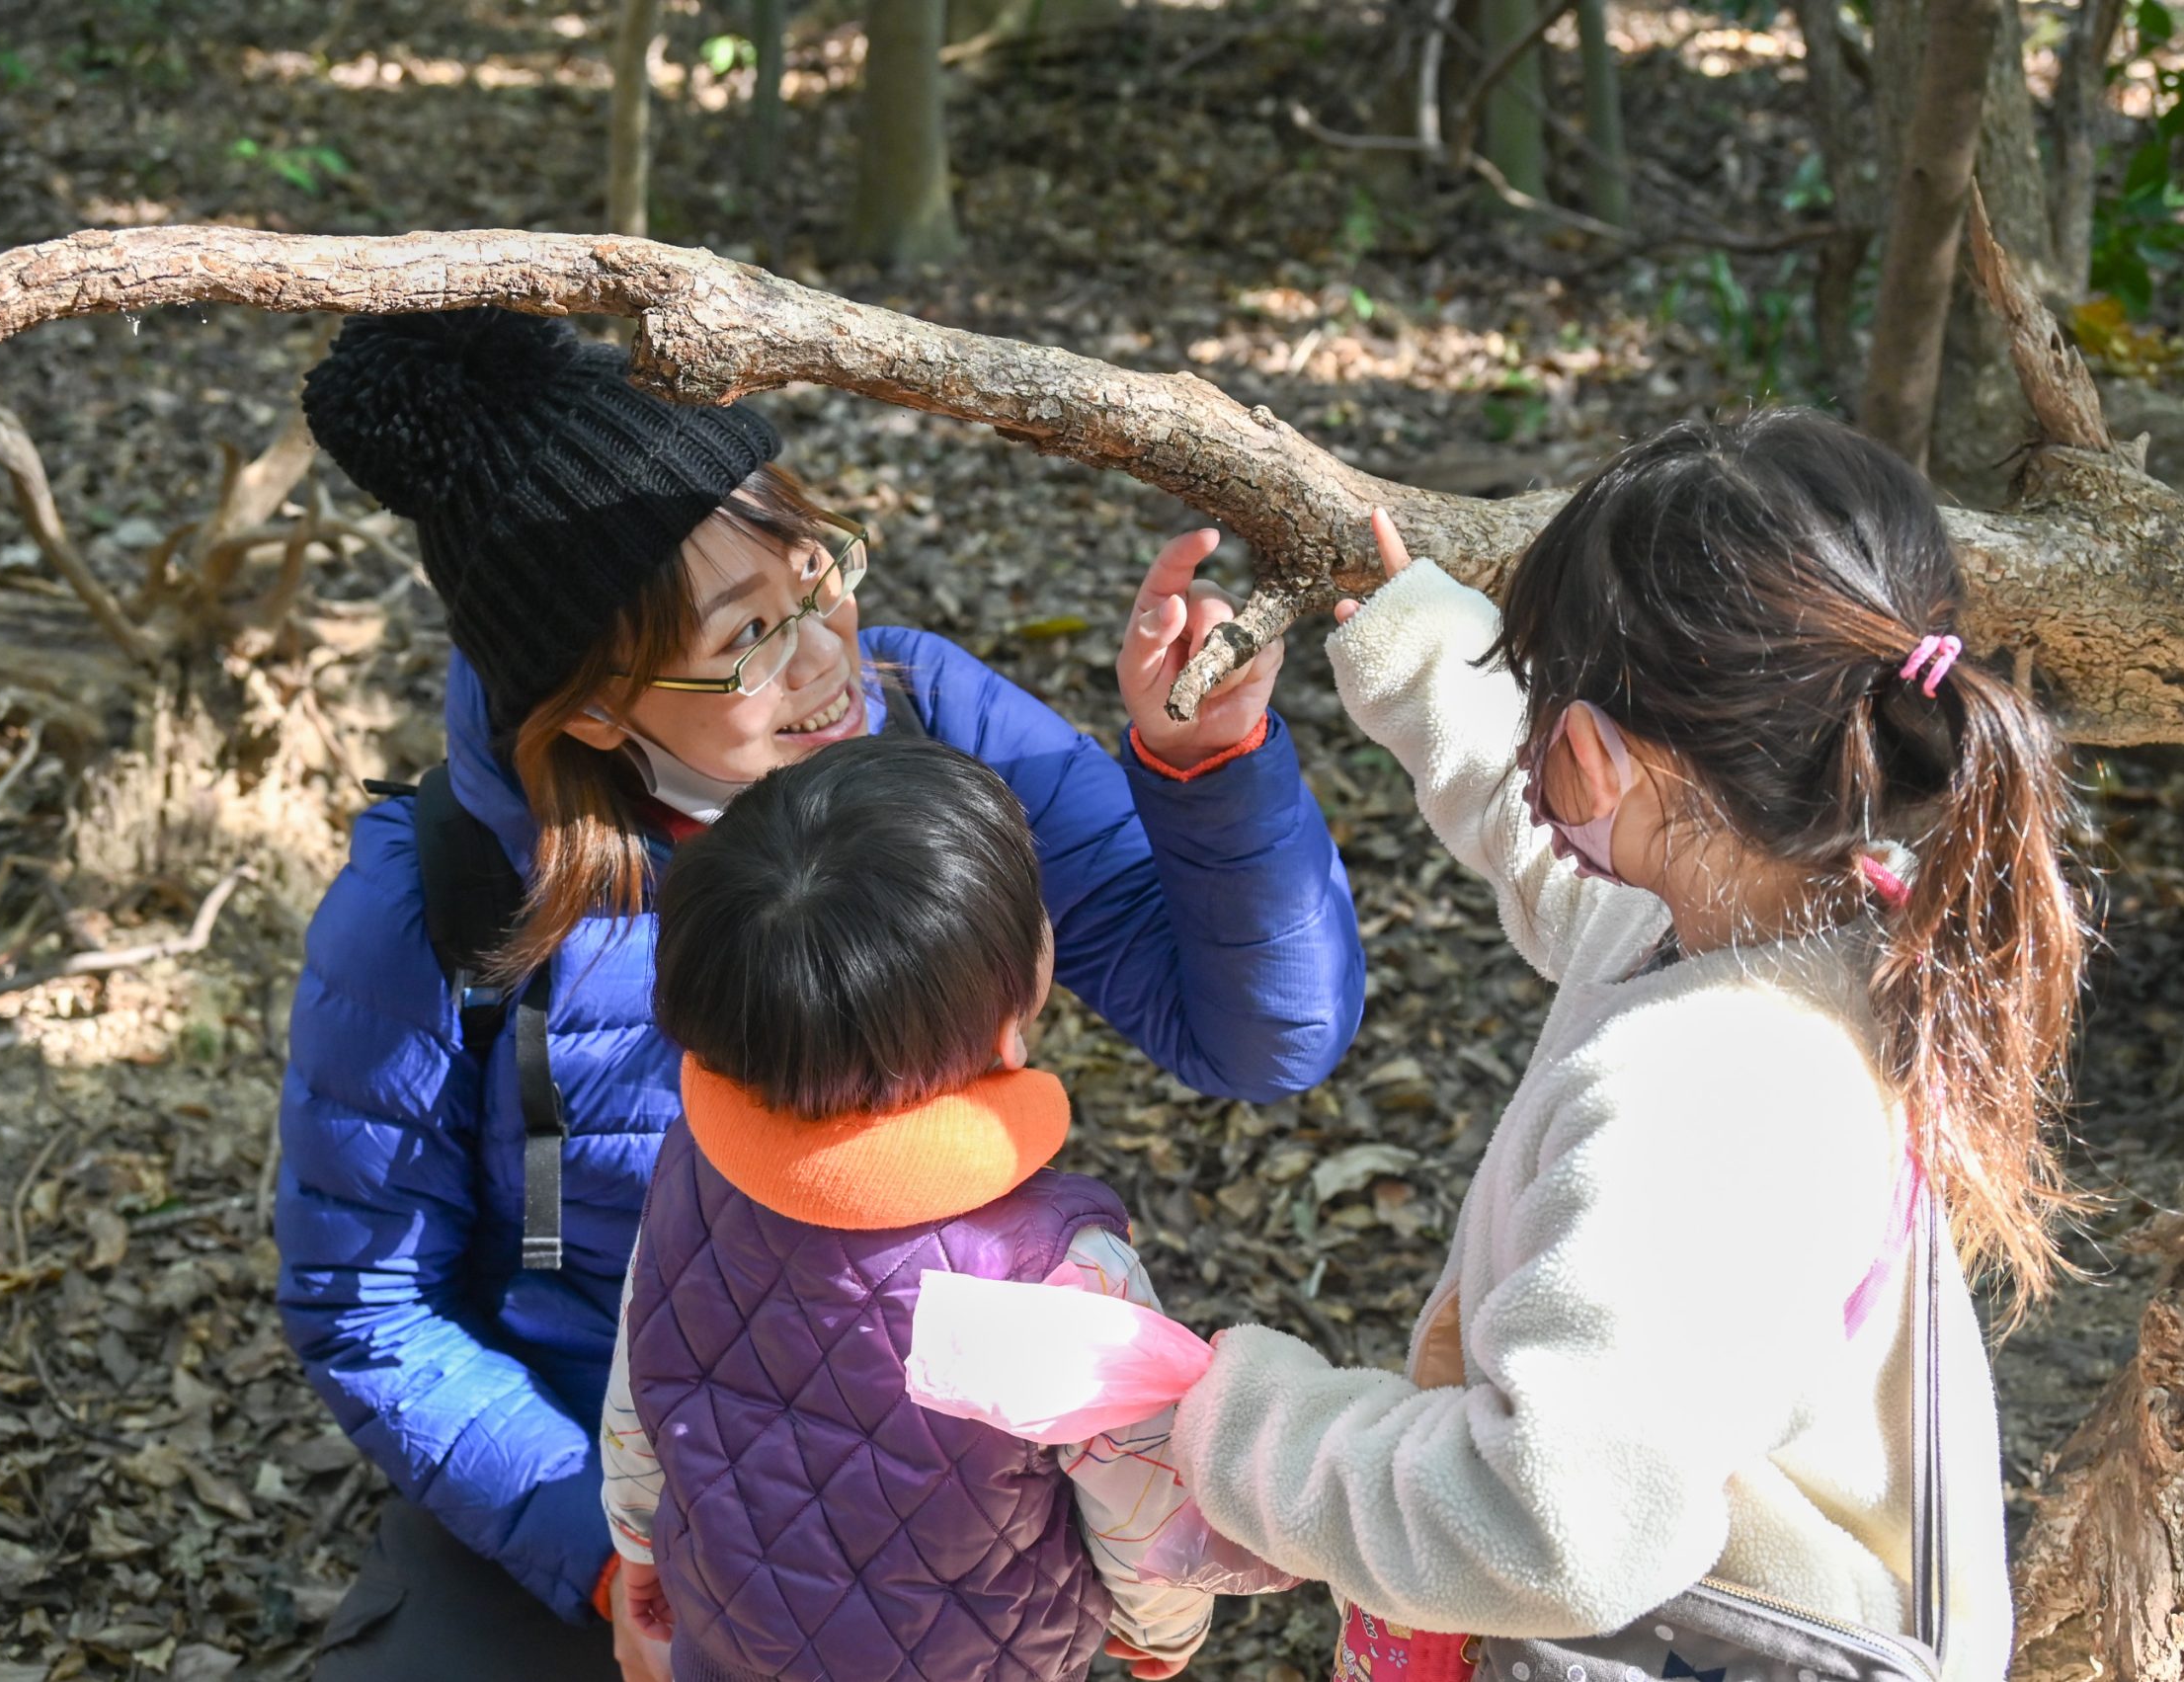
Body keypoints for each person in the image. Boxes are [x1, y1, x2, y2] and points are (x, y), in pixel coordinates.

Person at [275, 307, 1366, 1680]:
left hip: (930, 1473)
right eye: (747, 636)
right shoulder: (440, 894)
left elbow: (1268, 1033)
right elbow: (368, 1303)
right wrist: (612, 1552)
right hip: (599, 1464)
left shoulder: (929, 723)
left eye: (815, 573)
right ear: (597, 707)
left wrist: (1208, 766)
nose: (825, 651)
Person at [1170, 411, 2085, 1682]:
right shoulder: (1830, 912)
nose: (1535, 727)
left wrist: (1230, 1424)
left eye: (1543, 692)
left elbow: (1549, 1528)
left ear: (1596, 752)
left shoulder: (1708, 1098)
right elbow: (1571, 864)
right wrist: (1415, 641)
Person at [600, 732, 1213, 1682]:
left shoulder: (698, 1161)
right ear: (1013, 1020)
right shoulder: (1059, 1271)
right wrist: (1161, 1630)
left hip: (733, 1641)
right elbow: (1145, 1501)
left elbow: (641, 1375)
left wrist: (637, 1538)